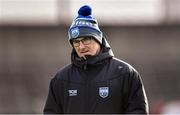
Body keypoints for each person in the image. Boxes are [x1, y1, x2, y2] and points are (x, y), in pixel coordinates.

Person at [43, 5, 149, 114]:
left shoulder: (125, 73)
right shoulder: (61, 79)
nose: (81, 47)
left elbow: (138, 111)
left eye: (86, 40)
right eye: (76, 42)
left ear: (98, 39)